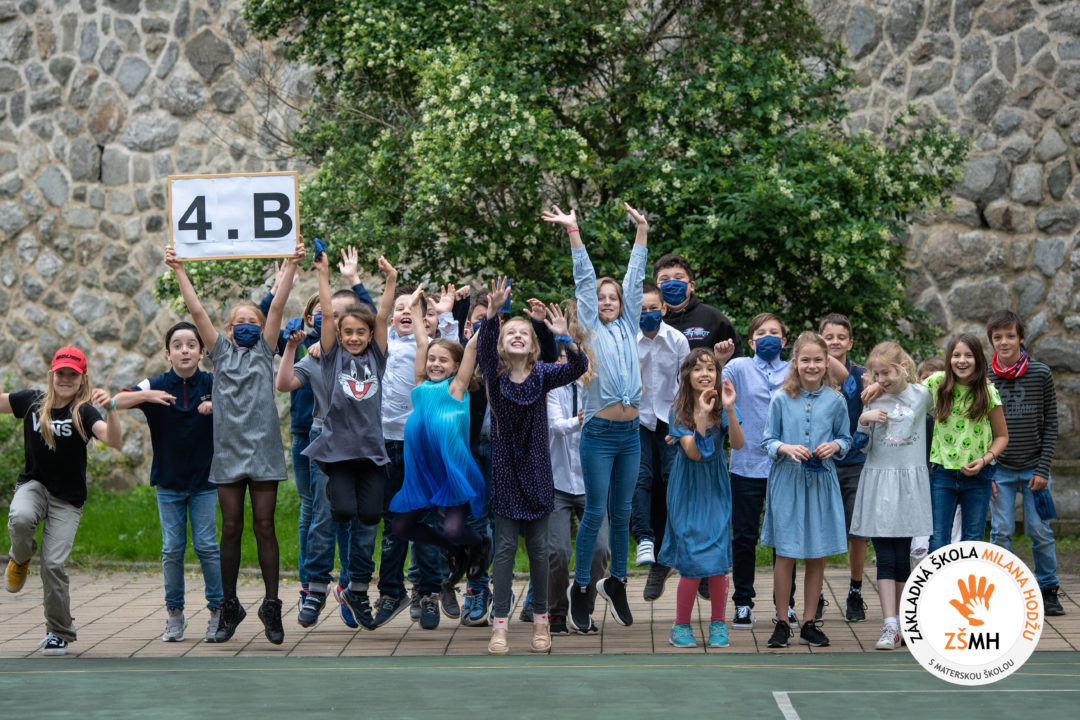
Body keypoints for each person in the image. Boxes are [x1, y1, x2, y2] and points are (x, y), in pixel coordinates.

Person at [165, 240, 304, 645]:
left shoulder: (264, 349)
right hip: (227, 453)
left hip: (263, 452)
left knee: (264, 525)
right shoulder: (220, 351)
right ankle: (229, 606)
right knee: (230, 528)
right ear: (228, 330)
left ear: (261, 329)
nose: (246, 325)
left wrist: (291, 266)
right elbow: (196, 312)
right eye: (239, 321)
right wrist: (179, 270)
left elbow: (277, 307)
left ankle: (271, 606)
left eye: (252, 321)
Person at [543, 202, 648, 633]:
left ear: (622, 304)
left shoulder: (629, 325)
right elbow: (584, 281)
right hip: (599, 433)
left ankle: (616, 581)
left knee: (621, 513)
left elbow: (635, 279)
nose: (606, 301)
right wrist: (574, 231)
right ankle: (581, 588)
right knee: (594, 514)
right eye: (602, 298)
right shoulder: (591, 328)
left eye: (613, 298)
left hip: (630, 433)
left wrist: (641, 232)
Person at [260, 246, 375, 626]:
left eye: (343, 316)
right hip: (315, 437)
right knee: (318, 514)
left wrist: (355, 280)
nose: (335, 320)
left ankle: (351, 588)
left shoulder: (367, 353)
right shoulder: (311, 348)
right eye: (329, 315)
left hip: (361, 445)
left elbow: (376, 318)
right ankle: (314, 588)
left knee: (354, 519)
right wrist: (284, 282)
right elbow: (269, 323)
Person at [477, 277, 587, 654]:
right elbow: (484, 350)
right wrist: (493, 313)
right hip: (506, 472)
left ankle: (542, 622)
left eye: (524, 332)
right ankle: (500, 626)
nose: (518, 336)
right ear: (502, 343)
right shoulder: (495, 374)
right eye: (511, 332)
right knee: (505, 551)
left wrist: (563, 335)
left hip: (539, 472)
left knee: (540, 551)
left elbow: (578, 366)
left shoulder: (543, 374)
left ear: (534, 345)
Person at [4, 346, 123, 656]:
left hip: (67, 498)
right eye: (61, 374)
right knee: (19, 517)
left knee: (54, 564)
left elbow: (113, 440)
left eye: (73, 374)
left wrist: (111, 408)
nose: (66, 379)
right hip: (35, 484)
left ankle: (59, 632)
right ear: (51, 375)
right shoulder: (33, 401)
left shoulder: (84, 411)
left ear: (83, 378)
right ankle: (20, 558)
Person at [301, 247, 395, 627]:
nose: (354, 338)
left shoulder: (377, 358)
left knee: (370, 516)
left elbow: (383, 314)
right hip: (338, 453)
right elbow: (326, 313)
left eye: (361, 332)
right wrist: (323, 274)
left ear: (370, 336)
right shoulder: (330, 359)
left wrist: (391, 279)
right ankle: (318, 587)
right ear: (338, 335)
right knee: (341, 512)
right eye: (348, 332)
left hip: (371, 453)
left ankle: (356, 588)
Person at [111, 322, 222, 643]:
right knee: (172, 549)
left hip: (206, 481)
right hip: (169, 483)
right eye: (177, 345)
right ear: (167, 353)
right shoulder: (155, 384)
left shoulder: (212, 382)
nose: (184, 350)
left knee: (207, 547)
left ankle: (218, 611)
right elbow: (115, 401)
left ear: (202, 352)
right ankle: (175, 614)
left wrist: (216, 405)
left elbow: (244, 401)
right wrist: (147, 395)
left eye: (191, 345)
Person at [388, 286, 489, 628]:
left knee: (454, 527)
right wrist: (415, 309)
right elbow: (422, 342)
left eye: (443, 360)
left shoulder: (457, 389)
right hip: (422, 475)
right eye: (432, 359)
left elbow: (471, 347)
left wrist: (490, 318)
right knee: (401, 526)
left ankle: (478, 545)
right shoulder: (420, 385)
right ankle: (455, 550)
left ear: (457, 367)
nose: (434, 364)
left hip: (451, 473)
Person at [372, 278, 458, 630]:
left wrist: (429, 310)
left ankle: (428, 592)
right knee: (392, 523)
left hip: (420, 446)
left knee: (425, 522)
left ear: (424, 320)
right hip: (386, 444)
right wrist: (390, 286)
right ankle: (391, 592)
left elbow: (438, 341)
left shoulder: (428, 349)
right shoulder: (383, 346)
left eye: (412, 308)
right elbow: (378, 318)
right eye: (399, 308)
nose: (404, 311)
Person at [760, 332, 851, 649]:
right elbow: (768, 440)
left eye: (818, 360)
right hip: (788, 481)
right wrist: (785, 447)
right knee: (785, 553)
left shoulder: (836, 401)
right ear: (795, 362)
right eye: (805, 360)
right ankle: (782, 621)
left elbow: (846, 439)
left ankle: (809, 622)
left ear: (827, 363)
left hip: (821, 482)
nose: (812, 366)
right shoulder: (781, 398)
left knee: (817, 553)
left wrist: (835, 446)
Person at [849, 342, 933, 650]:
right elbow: (860, 446)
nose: (881, 379)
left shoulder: (922, 395)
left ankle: (904, 622)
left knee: (902, 558)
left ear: (903, 367)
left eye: (887, 372)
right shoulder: (871, 399)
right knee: (885, 557)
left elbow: (950, 386)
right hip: (880, 485)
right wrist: (863, 421)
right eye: (877, 374)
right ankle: (889, 624)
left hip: (909, 485)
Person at [719, 313, 796, 630]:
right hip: (746, 464)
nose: (768, 337)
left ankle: (786, 605)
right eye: (761, 333)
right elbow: (712, 389)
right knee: (744, 536)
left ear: (784, 340)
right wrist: (719, 360)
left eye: (774, 332)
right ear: (750, 342)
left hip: (786, 465)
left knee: (785, 540)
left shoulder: (793, 369)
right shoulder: (737, 367)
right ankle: (743, 603)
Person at [663, 349, 743, 649]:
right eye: (697, 369)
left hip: (715, 487)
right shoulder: (679, 410)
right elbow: (694, 454)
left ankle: (718, 623)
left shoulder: (723, 407)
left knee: (718, 557)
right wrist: (699, 417)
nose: (705, 373)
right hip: (687, 488)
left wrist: (730, 410)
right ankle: (681, 625)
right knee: (692, 556)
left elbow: (738, 444)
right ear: (687, 376)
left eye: (710, 368)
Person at [985, 310, 1064, 616]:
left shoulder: (1041, 373)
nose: (1004, 342)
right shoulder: (985, 377)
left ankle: (1048, 589)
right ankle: (1004, 590)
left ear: (1021, 338)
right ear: (992, 341)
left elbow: (1051, 424)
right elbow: (980, 427)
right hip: (1000, 468)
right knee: (1001, 532)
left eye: (1010, 336)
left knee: (1040, 531)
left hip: (1034, 467)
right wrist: (988, 470)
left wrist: (1043, 469)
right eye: (998, 337)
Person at [543, 343, 609, 636]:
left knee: (600, 550)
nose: (568, 363)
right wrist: (581, 420)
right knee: (558, 551)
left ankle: (582, 607)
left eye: (576, 358)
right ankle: (557, 610)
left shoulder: (600, 389)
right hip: (557, 482)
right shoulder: (551, 389)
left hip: (592, 483)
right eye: (563, 357)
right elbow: (556, 426)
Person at [922, 334, 1009, 552]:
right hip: (942, 473)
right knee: (938, 540)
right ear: (949, 359)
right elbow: (906, 392)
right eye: (956, 355)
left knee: (972, 541)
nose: (962, 361)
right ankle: (941, 577)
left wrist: (985, 460)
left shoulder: (988, 392)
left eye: (969, 355)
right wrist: (879, 387)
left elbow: (1002, 436)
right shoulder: (937, 383)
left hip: (978, 475)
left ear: (978, 359)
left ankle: (968, 577)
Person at [634, 281, 689, 603]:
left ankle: (674, 541)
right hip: (638, 418)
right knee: (640, 477)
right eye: (642, 309)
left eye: (653, 308)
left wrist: (680, 421)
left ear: (664, 309)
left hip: (670, 417)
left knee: (672, 478)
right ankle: (644, 538)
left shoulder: (677, 340)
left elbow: (686, 382)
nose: (648, 313)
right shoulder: (629, 340)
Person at [819, 313, 868, 623]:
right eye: (828, 337)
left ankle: (855, 590)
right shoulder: (811, 371)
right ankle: (817, 593)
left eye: (841, 337)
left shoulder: (863, 375)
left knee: (857, 532)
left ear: (850, 342)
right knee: (819, 529)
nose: (835, 341)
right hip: (820, 464)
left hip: (855, 463)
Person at [652, 253, 742, 354]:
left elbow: (735, 357)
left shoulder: (712, 317)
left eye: (678, 278)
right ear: (656, 287)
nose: (672, 283)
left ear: (692, 285)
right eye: (664, 279)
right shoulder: (649, 320)